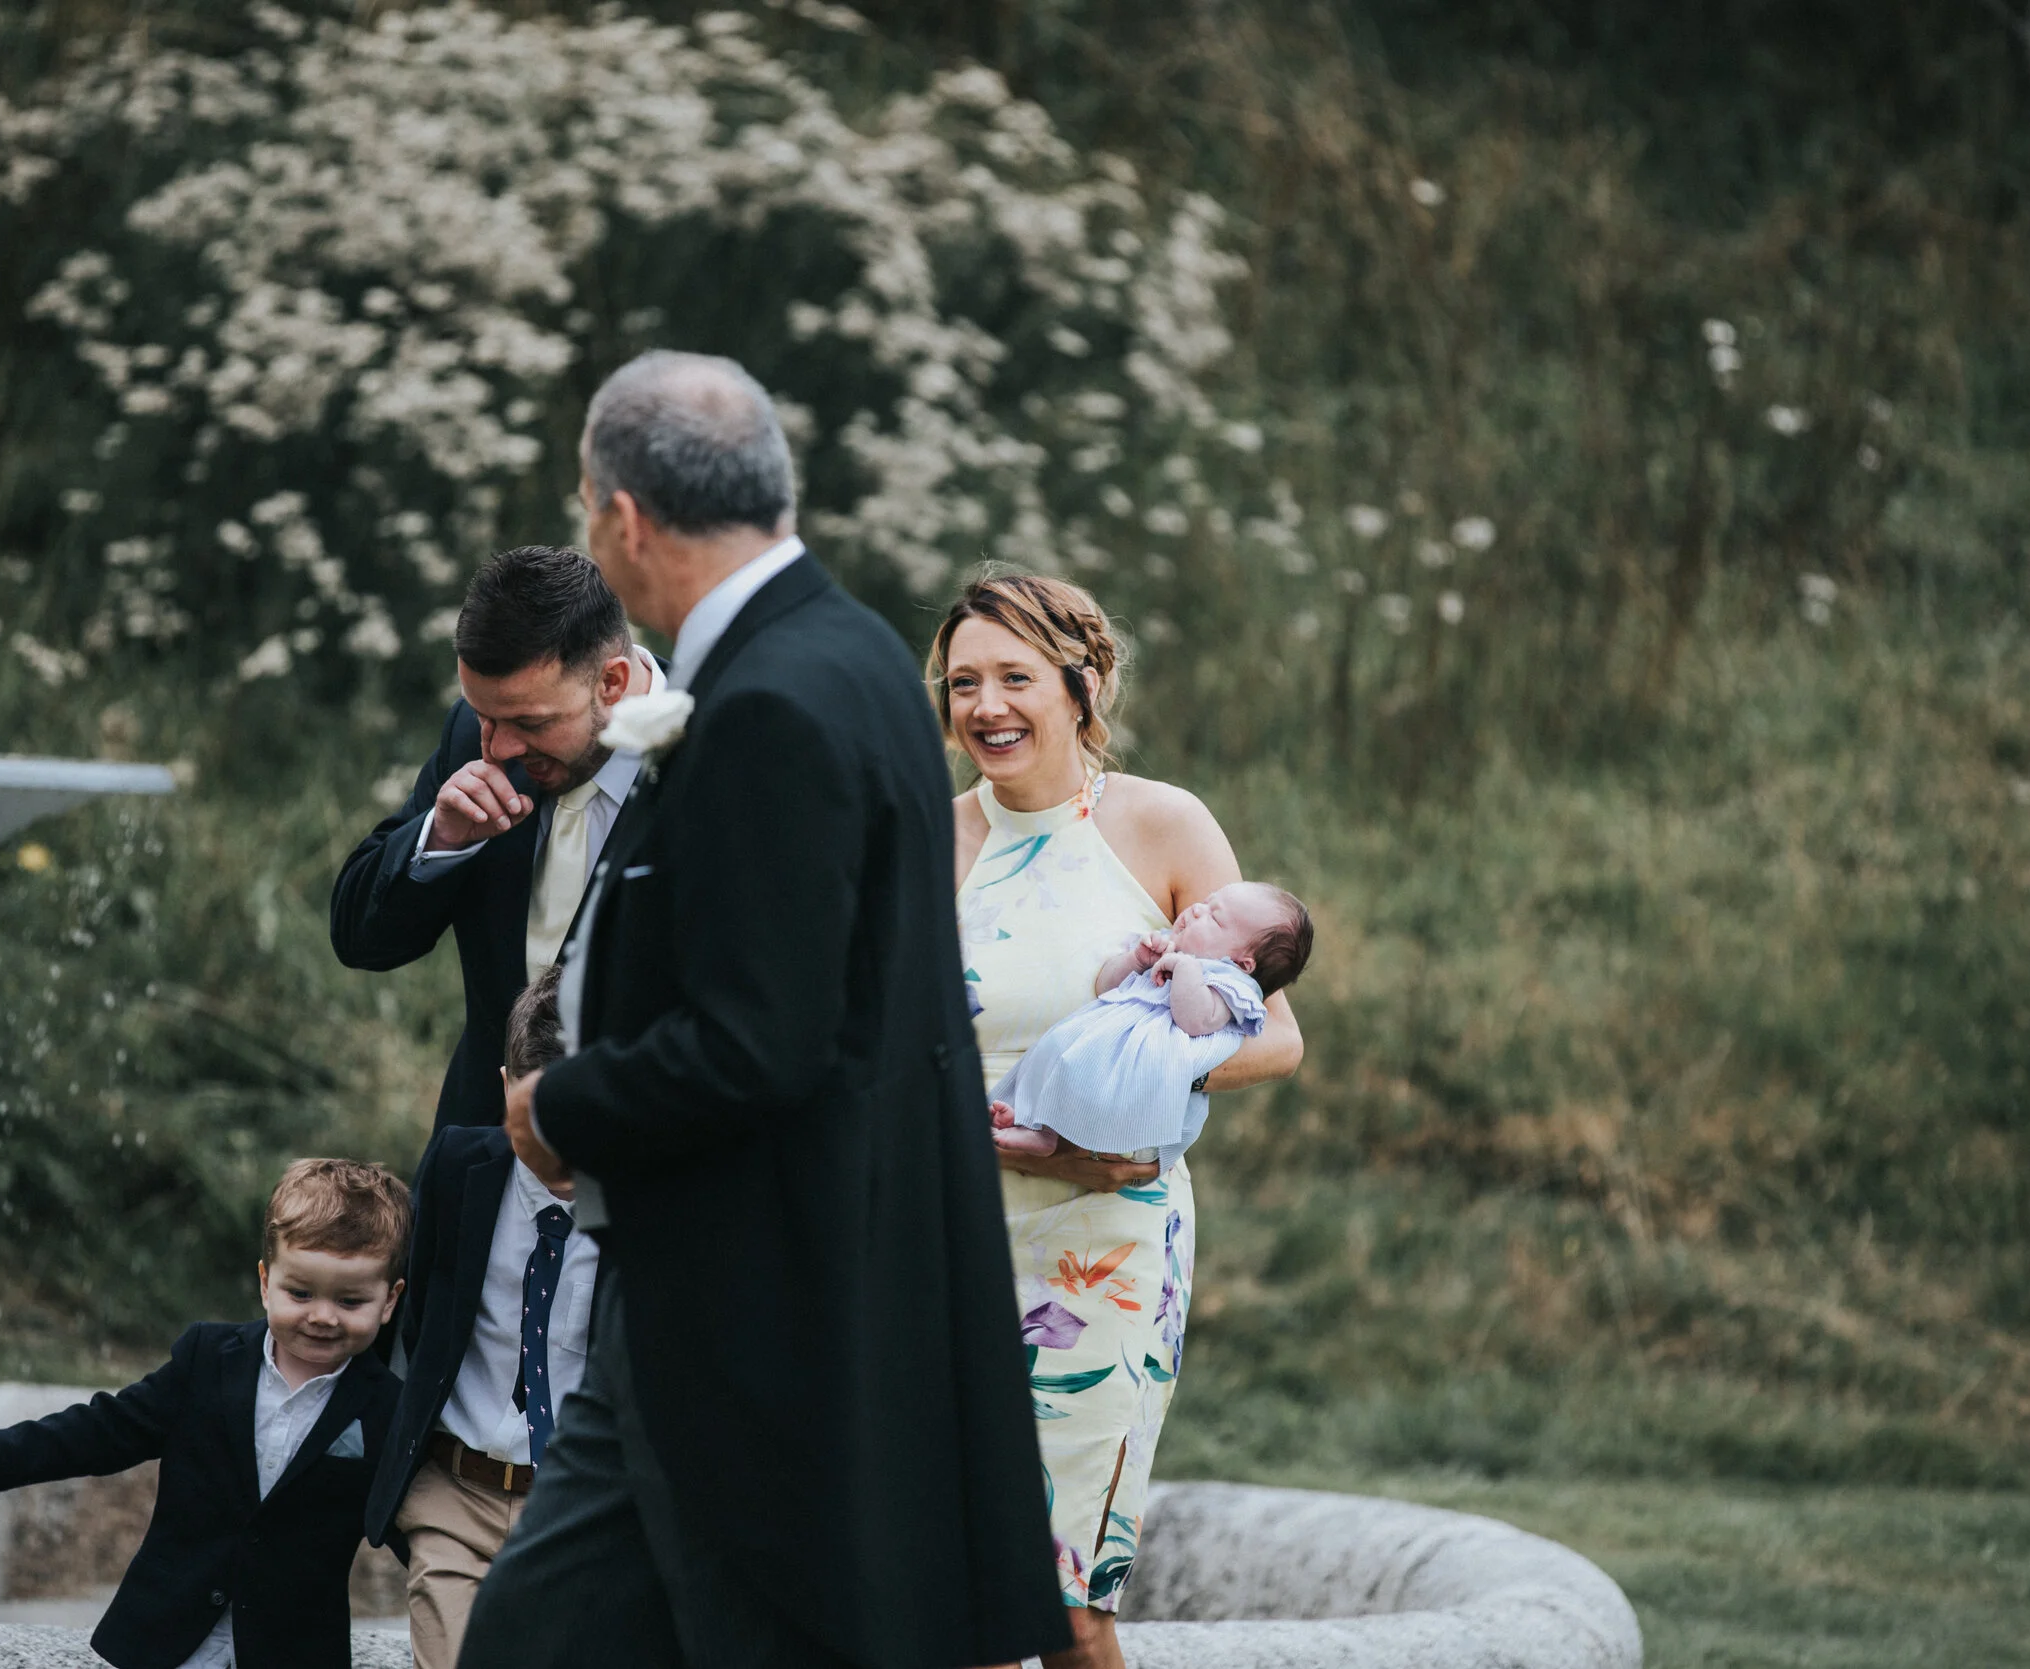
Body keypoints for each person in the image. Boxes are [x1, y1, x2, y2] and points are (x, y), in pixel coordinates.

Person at [472, 350, 1070, 1669]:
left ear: (624, 517)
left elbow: (762, 1038)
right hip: (718, 1280)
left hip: (753, 1293)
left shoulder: (769, 703)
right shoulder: (851, 653)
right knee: (537, 1637)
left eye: (587, 511)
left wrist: (560, 1103)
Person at [933, 572, 1305, 1669]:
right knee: (954, 1584)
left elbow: (1274, 1039)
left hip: (1102, 1244)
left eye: (1015, 677)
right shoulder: (924, 838)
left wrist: (1125, 1105)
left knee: (1061, 1597)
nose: (986, 705)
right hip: (943, 1231)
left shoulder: (1161, 822)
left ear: (1080, 685)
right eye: (963, 681)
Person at [0, 1160, 410, 1669]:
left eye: (350, 1301)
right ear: (266, 1281)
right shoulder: (208, 1360)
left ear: (389, 1301)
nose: (322, 1316)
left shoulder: (389, 1408)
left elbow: (417, 1527)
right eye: (301, 1293)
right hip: (165, 1639)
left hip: (293, 1652)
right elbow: (106, 1429)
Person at [331, 545, 665, 1139]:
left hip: (651, 1154)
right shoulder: (474, 735)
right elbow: (360, 939)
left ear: (612, 683)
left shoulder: (720, 750)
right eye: (483, 715)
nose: (499, 748)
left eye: (530, 723)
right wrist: (441, 838)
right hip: (487, 1153)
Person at [367, 968, 598, 1669]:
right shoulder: (458, 1166)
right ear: (505, 1088)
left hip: (579, 1509)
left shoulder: (648, 1206)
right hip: (457, 1497)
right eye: (539, 1119)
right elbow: (417, 1319)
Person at [989, 881, 1313, 1170]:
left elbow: (1196, 1021)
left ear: (1244, 964)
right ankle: (1035, 1123)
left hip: (1142, 1074)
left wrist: (1185, 969)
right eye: (1205, 902)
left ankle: (1052, 1135)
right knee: (1059, 1051)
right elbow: (1106, 987)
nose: (1196, 910)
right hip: (1105, 1042)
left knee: (1086, 1079)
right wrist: (1136, 961)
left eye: (1214, 918)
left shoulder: (1230, 985)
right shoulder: (1170, 948)